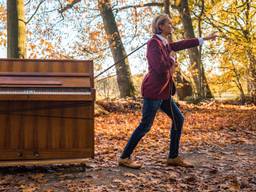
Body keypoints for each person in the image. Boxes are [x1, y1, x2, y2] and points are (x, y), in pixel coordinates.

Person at [118, 14, 217, 169]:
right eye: (169, 24)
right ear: (160, 26)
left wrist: (204, 39)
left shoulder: (164, 43)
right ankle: (124, 157)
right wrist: (172, 60)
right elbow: (159, 67)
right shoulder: (153, 43)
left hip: (164, 93)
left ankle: (173, 157)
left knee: (178, 119)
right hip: (153, 92)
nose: (171, 26)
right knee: (145, 126)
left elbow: (181, 44)